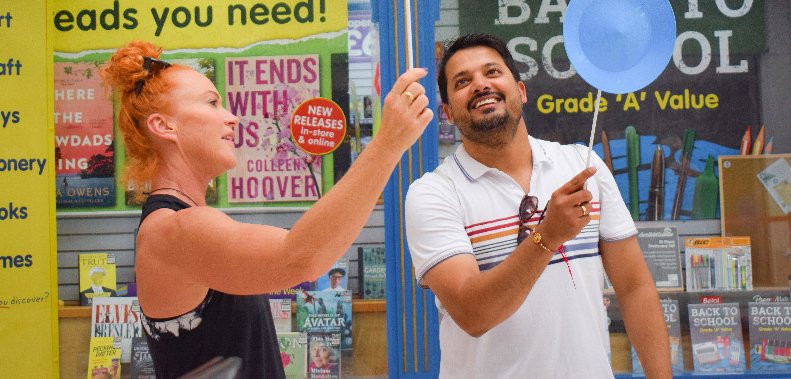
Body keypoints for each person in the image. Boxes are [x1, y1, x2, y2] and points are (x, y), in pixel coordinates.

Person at [100, 40, 432, 379]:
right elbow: (302, 258)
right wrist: (388, 143)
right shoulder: (175, 230)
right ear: (165, 126)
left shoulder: (176, 225)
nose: (232, 117)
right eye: (212, 103)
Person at [404, 33, 671, 378]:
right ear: (448, 113)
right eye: (463, 81)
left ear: (521, 91)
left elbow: (634, 288)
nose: (481, 85)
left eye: (492, 73)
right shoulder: (433, 194)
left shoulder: (582, 166)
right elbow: (473, 314)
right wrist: (548, 235)